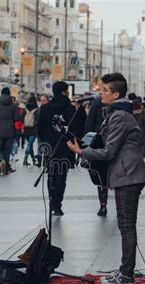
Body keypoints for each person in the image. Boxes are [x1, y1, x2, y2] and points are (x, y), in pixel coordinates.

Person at [67, 73, 145, 284]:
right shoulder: (115, 114)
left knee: (126, 225)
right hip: (125, 173)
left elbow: (109, 151)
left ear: (116, 94)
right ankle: (125, 270)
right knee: (126, 224)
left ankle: (126, 274)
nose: (100, 93)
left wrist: (81, 152)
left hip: (128, 174)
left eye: (104, 90)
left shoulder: (120, 116)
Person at [37, 81, 83, 216]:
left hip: (50, 148)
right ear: (64, 92)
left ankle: (51, 201)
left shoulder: (45, 108)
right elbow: (77, 129)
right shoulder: (70, 109)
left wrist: (46, 141)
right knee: (61, 177)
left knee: (51, 175)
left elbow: (39, 129)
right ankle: (57, 205)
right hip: (66, 147)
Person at [84, 94, 109, 216]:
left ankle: (103, 204)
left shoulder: (97, 103)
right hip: (113, 142)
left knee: (101, 175)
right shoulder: (119, 104)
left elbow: (89, 124)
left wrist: (86, 145)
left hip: (98, 143)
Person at [23, 96, 39, 166]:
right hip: (33, 129)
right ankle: (25, 159)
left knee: (30, 145)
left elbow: (21, 118)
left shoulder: (25, 109)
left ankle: (33, 160)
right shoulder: (37, 109)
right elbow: (37, 120)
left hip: (26, 129)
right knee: (30, 145)